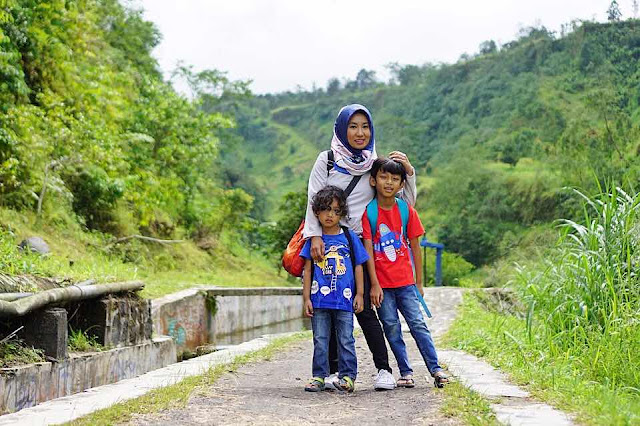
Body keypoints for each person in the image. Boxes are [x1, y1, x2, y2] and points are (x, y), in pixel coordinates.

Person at [302, 103, 417, 390]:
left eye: (365, 126)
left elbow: (403, 204)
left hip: (360, 244)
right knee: (328, 307)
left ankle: (383, 369)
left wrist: (410, 174)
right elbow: (313, 198)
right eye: (352, 126)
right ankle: (330, 372)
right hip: (327, 243)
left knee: (365, 308)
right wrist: (315, 235)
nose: (359, 132)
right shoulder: (327, 160)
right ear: (342, 129)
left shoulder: (374, 165)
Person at [362, 157, 449, 388]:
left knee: (418, 324)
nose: (388, 182)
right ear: (373, 180)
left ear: (402, 185)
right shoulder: (369, 213)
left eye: (394, 179)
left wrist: (419, 282)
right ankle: (406, 371)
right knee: (391, 326)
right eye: (383, 177)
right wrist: (374, 284)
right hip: (382, 286)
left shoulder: (406, 211)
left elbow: (415, 247)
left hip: (406, 283)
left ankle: (435, 368)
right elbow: (368, 251)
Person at [300, 186, 369, 392]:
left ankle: (348, 377)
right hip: (319, 300)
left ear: (342, 213)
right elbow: (307, 270)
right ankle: (319, 376)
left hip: (344, 300)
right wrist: (306, 299)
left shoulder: (349, 237)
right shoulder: (314, 240)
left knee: (346, 338)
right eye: (326, 209)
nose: (330, 215)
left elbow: (358, 265)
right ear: (316, 212)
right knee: (320, 339)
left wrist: (360, 294)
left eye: (336, 211)